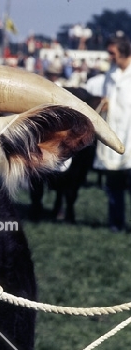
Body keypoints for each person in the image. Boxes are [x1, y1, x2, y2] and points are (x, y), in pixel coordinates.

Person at [93, 35, 131, 232]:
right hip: (115, 136)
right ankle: (115, 223)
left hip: (130, 136)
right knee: (113, 185)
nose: (109, 57)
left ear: (124, 54)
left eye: (112, 53)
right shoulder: (111, 74)